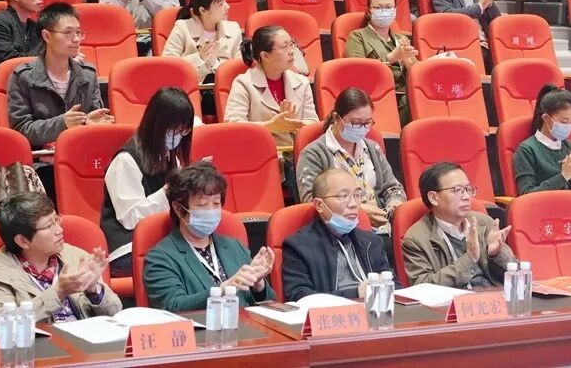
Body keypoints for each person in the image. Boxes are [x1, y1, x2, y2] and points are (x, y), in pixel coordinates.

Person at [143, 162, 276, 312]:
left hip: (244, 324)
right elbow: (173, 306)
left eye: (216, 203)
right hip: (200, 327)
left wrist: (258, 285)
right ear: (178, 209)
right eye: (202, 204)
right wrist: (222, 291)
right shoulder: (160, 257)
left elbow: (269, 304)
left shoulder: (234, 247)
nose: (211, 210)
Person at [0, 192, 122, 321]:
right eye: (49, 226)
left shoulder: (76, 256)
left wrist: (93, 289)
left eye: (56, 220)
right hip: (40, 341)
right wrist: (58, 292)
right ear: (23, 241)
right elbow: (4, 324)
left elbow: (115, 313)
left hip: (86, 338)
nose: (59, 230)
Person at [101, 87, 194, 277]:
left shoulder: (171, 155)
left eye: (183, 130)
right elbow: (130, 218)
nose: (178, 135)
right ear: (156, 124)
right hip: (128, 247)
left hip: (161, 238)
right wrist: (168, 191)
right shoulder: (126, 160)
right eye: (174, 129)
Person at [297, 88, 407, 244]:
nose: (362, 128)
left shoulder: (371, 148)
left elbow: (393, 187)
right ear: (336, 118)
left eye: (367, 123)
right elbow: (312, 203)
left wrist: (393, 206)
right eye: (355, 123)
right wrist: (359, 212)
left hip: (381, 231)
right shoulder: (314, 154)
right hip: (340, 235)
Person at [8, 3, 114, 149]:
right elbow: (21, 130)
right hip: (40, 158)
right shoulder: (23, 77)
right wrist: (62, 123)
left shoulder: (88, 74)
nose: (76, 39)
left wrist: (90, 123)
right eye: (68, 33)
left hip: (79, 151)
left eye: (78, 32)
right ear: (47, 36)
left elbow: (93, 117)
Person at [281, 168, 396, 301]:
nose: (353, 204)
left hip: (375, 310)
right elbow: (299, 296)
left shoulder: (372, 242)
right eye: (343, 196)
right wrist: (356, 293)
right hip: (332, 313)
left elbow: (394, 286)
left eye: (357, 195)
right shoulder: (299, 246)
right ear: (319, 205)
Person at [402, 162, 515, 287]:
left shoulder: (485, 223)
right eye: (457, 190)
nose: (466, 197)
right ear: (433, 198)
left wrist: (495, 255)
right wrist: (469, 259)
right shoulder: (416, 239)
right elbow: (421, 288)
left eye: (468, 189)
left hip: (493, 297)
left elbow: (517, 274)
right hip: (452, 299)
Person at [224, 24, 316, 147]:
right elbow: (233, 125)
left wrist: (295, 124)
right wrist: (271, 126)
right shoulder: (244, 83)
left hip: (298, 152)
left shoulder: (302, 82)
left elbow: (313, 123)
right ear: (265, 55)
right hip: (260, 152)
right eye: (284, 47)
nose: (292, 51)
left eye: (292, 44)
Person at [345, 0, 417, 124]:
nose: (384, 11)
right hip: (376, 97)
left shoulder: (401, 39)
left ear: (395, 9)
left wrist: (408, 62)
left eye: (389, 7)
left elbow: (418, 75)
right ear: (368, 11)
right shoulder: (358, 36)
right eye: (378, 7)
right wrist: (392, 57)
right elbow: (357, 72)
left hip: (406, 95)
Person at [512, 85, 571, 199]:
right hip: (545, 208)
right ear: (546, 118)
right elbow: (527, 196)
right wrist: (563, 176)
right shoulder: (527, 149)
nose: (568, 126)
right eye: (564, 121)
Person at [163, 0, 241, 86]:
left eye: (226, 2)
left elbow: (239, 67)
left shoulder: (234, 29)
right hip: (190, 87)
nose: (227, 7)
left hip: (226, 87)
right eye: (221, 4)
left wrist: (216, 65)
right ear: (203, 10)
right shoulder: (182, 27)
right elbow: (168, 66)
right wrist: (199, 57)